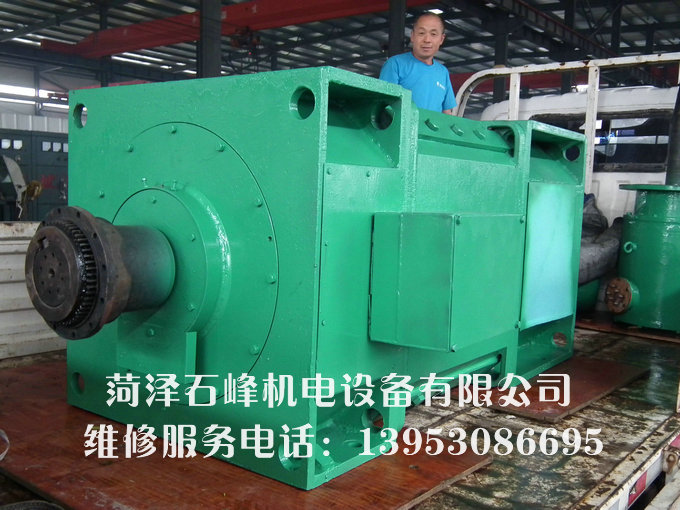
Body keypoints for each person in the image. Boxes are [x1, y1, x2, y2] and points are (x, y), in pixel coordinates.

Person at [379, 12, 456, 115]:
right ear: (412, 36)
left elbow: (447, 113)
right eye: (421, 33)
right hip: (403, 125)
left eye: (433, 34)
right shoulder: (395, 64)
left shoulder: (443, 72)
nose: (427, 40)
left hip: (431, 126)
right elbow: (383, 105)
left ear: (441, 39)